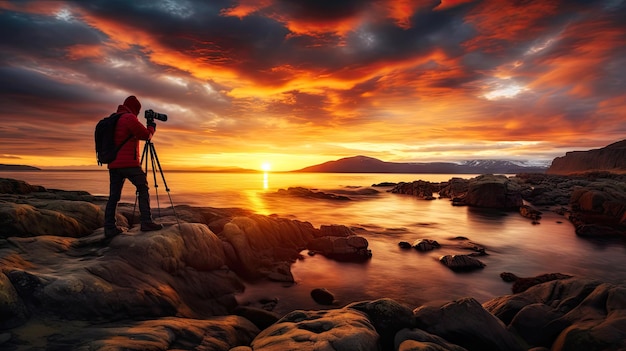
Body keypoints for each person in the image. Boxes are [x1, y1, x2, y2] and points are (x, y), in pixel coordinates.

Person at [103, 95, 163, 239]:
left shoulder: (115, 118)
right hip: (128, 163)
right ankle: (146, 221)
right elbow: (145, 135)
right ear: (135, 108)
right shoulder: (129, 118)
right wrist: (151, 127)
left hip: (114, 164)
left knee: (114, 196)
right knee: (143, 187)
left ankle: (109, 227)